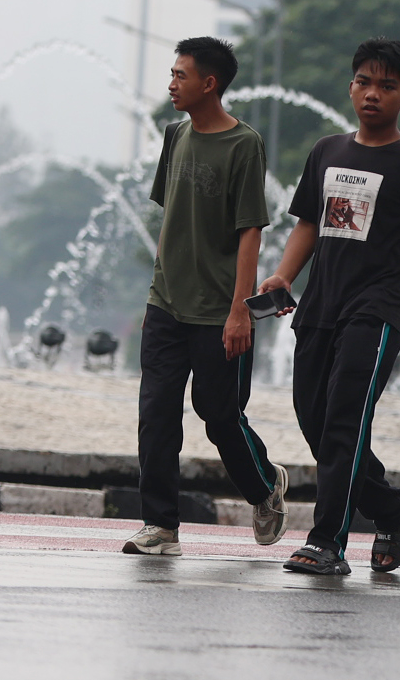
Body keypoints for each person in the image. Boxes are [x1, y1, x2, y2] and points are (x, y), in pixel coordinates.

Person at [258, 37, 400, 576]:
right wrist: (283, 275)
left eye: (387, 86)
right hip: (320, 305)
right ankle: (393, 506)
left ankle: (328, 542)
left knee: (345, 421)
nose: (373, 94)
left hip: (378, 308)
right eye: (364, 82)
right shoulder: (327, 150)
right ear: (350, 88)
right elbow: (310, 223)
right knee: (314, 419)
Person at [123, 36, 287, 557]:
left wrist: (240, 311)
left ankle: (265, 485)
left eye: (181, 75)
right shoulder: (175, 135)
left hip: (220, 311)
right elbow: (170, 220)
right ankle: (160, 525)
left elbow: (250, 231)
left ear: (209, 83)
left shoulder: (244, 144)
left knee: (218, 415)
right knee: (156, 413)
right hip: (166, 304)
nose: (171, 84)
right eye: (172, 74)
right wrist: (156, 293)